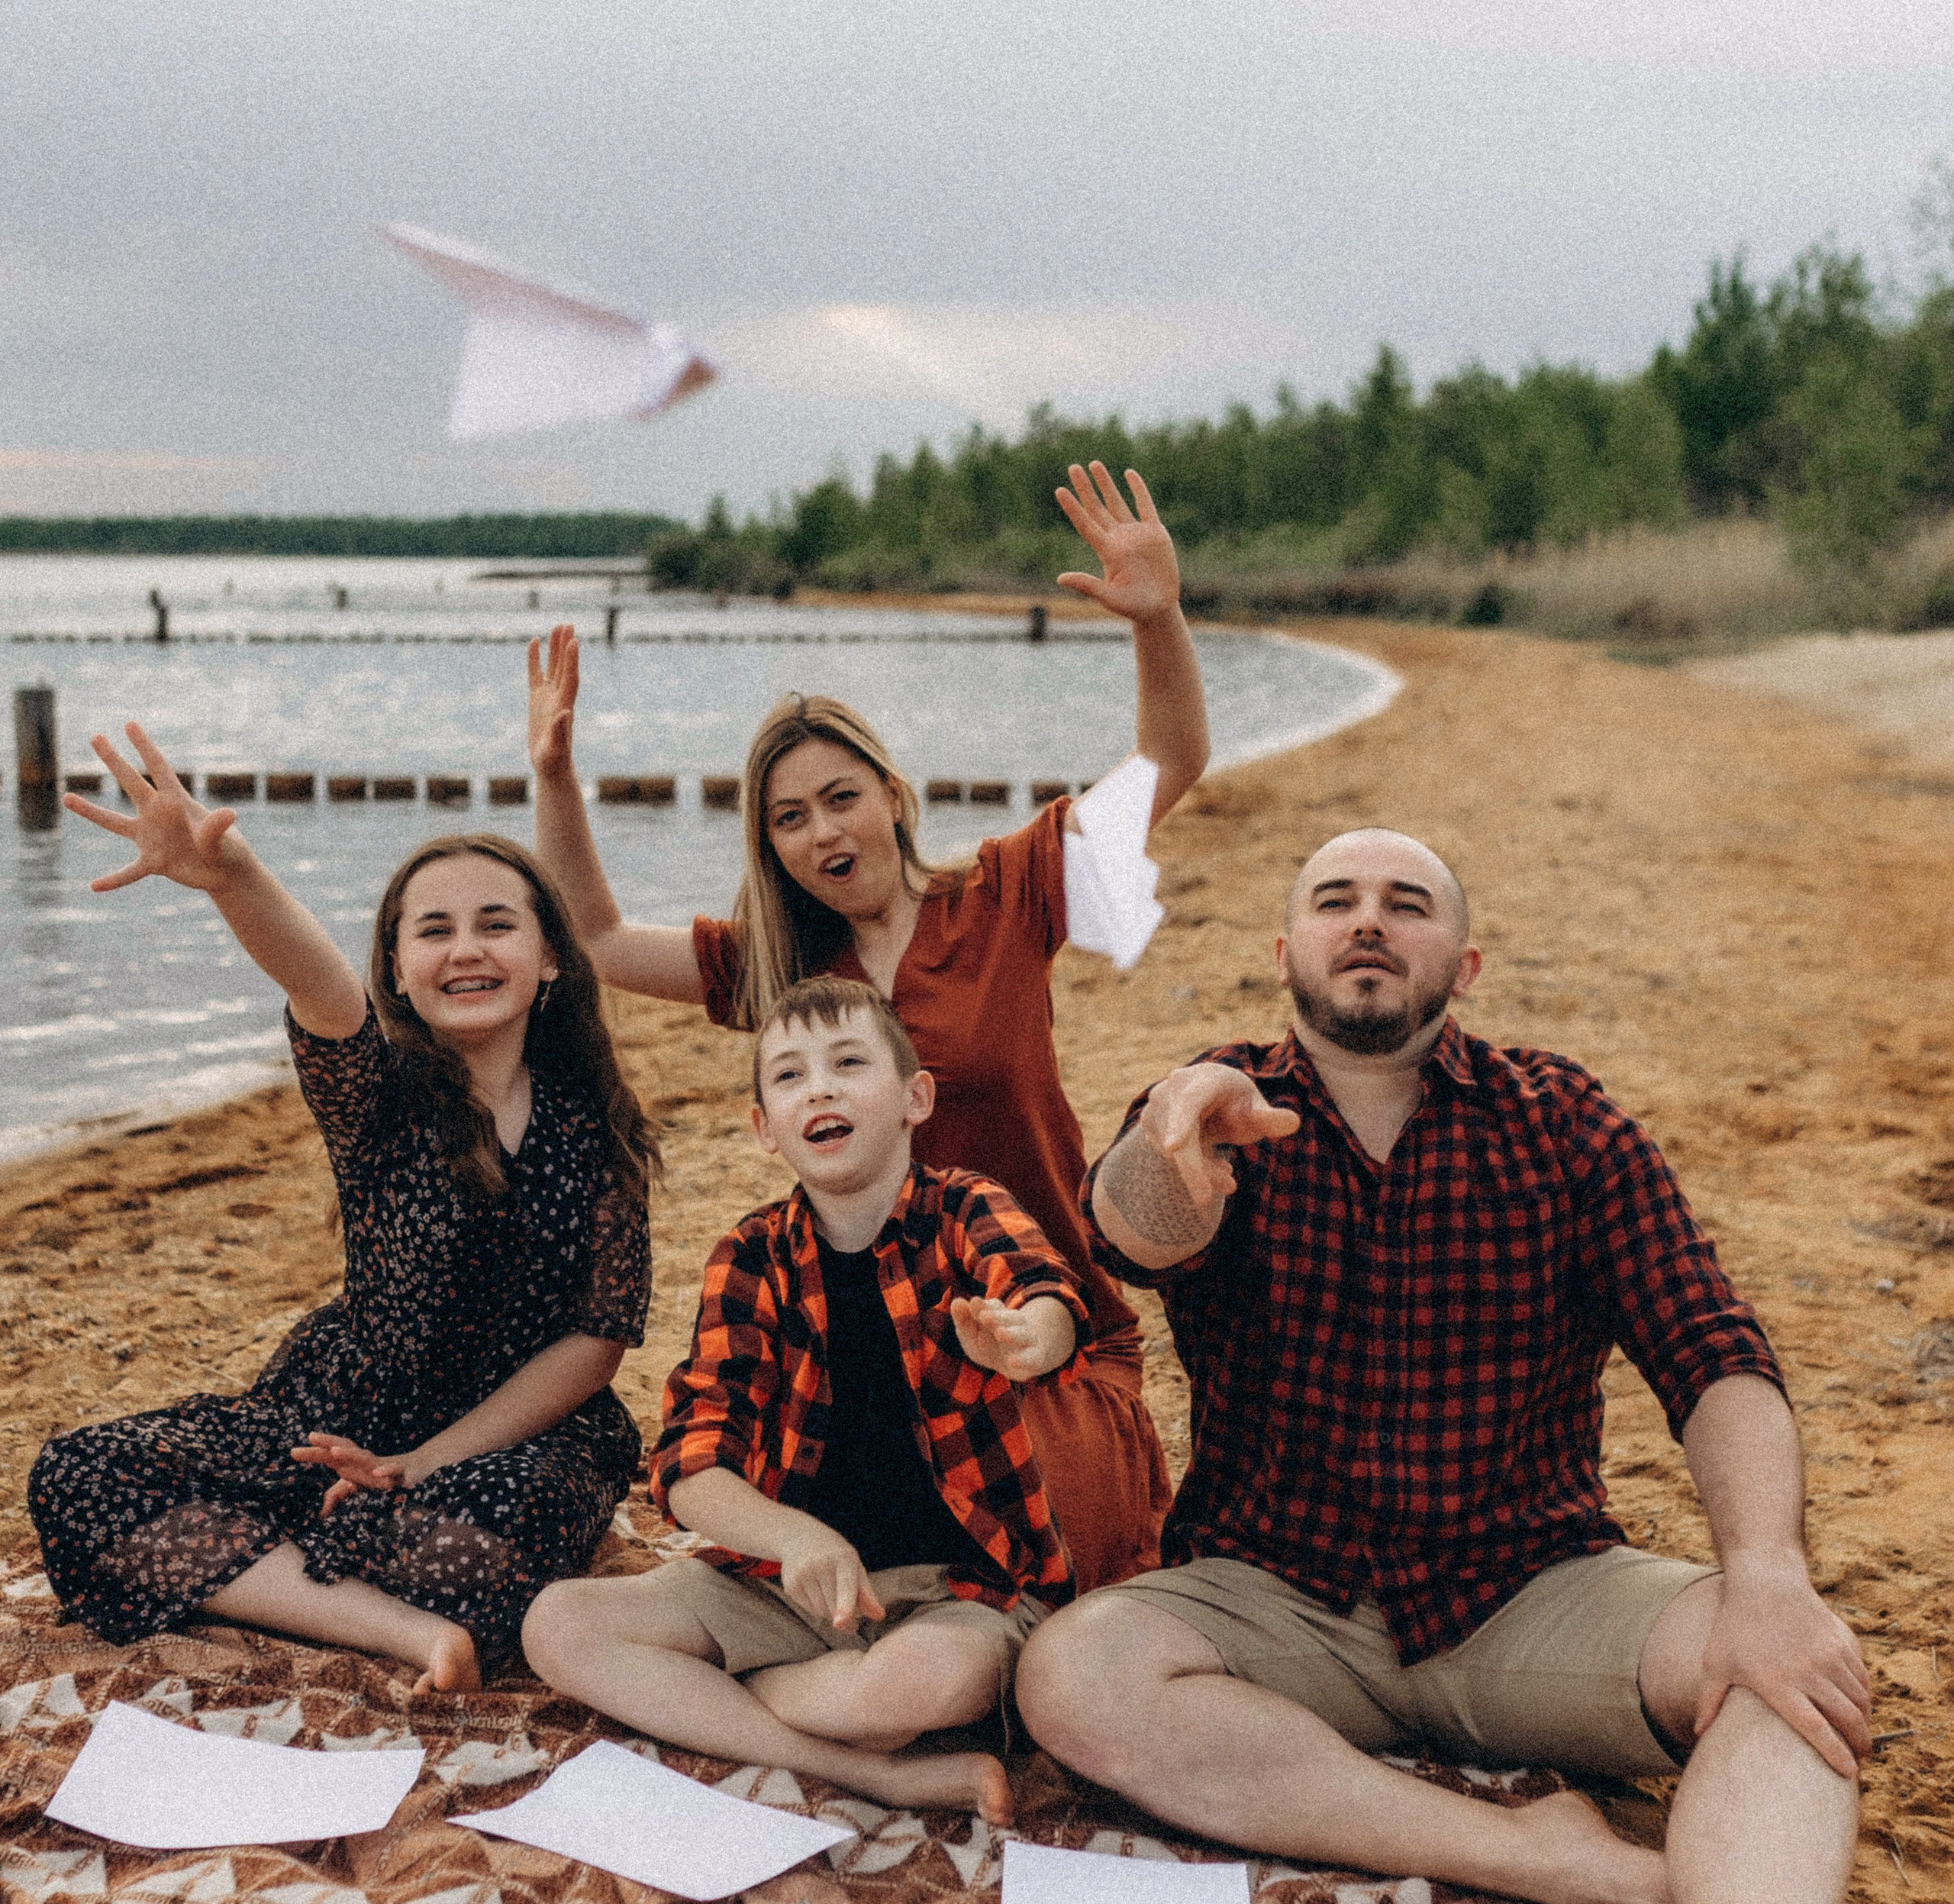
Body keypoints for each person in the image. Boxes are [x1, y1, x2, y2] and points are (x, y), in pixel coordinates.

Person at [1015, 827, 1954, 1904]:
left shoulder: (1560, 1120)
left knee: (1795, 1663)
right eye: (1334, 902)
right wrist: (1171, 1138)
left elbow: (1712, 1349)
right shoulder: (1213, 1104)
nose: (1370, 924)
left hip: (1526, 1589)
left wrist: (1763, 1572)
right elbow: (1131, 1234)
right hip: (1282, 1597)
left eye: (1409, 905)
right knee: (1075, 1670)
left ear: (1465, 960)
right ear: (1286, 954)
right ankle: (1562, 1862)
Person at [527, 460, 1209, 1591]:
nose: (821, 830)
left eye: (840, 795)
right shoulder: (781, 967)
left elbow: (1170, 761)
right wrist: (554, 770)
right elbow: (594, 940)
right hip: (860, 1347)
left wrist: (1158, 619)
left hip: (1042, 1325)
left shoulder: (1006, 892)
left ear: (891, 793)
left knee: (1051, 1587)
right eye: (788, 817)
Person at [28, 724, 654, 1696]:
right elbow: (316, 980)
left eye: (496, 923)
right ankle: (396, 1628)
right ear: (399, 970)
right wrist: (230, 871)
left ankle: (282, 1565)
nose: (466, 949)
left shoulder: (595, 1129)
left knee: (492, 1550)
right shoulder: (379, 1091)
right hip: (343, 1402)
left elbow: (593, 1343)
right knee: (78, 1473)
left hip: (521, 1437)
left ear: (551, 959)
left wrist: (418, 1463)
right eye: (432, 930)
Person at [523, 976, 1079, 1818]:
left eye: (848, 1062)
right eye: (788, 1076)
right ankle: (876, 1774)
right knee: (556, 1624)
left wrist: (1032, 1335)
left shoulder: (966, 1207)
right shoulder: (749, 1255)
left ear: (913, 1097)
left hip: (961, 1588)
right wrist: (793, 1537)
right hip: (789, 1582)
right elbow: (691, 1462)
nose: (818, 1086)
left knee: (909, 1687)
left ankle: (749, 1699)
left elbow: (1044, 1287)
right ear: (764, 1129)